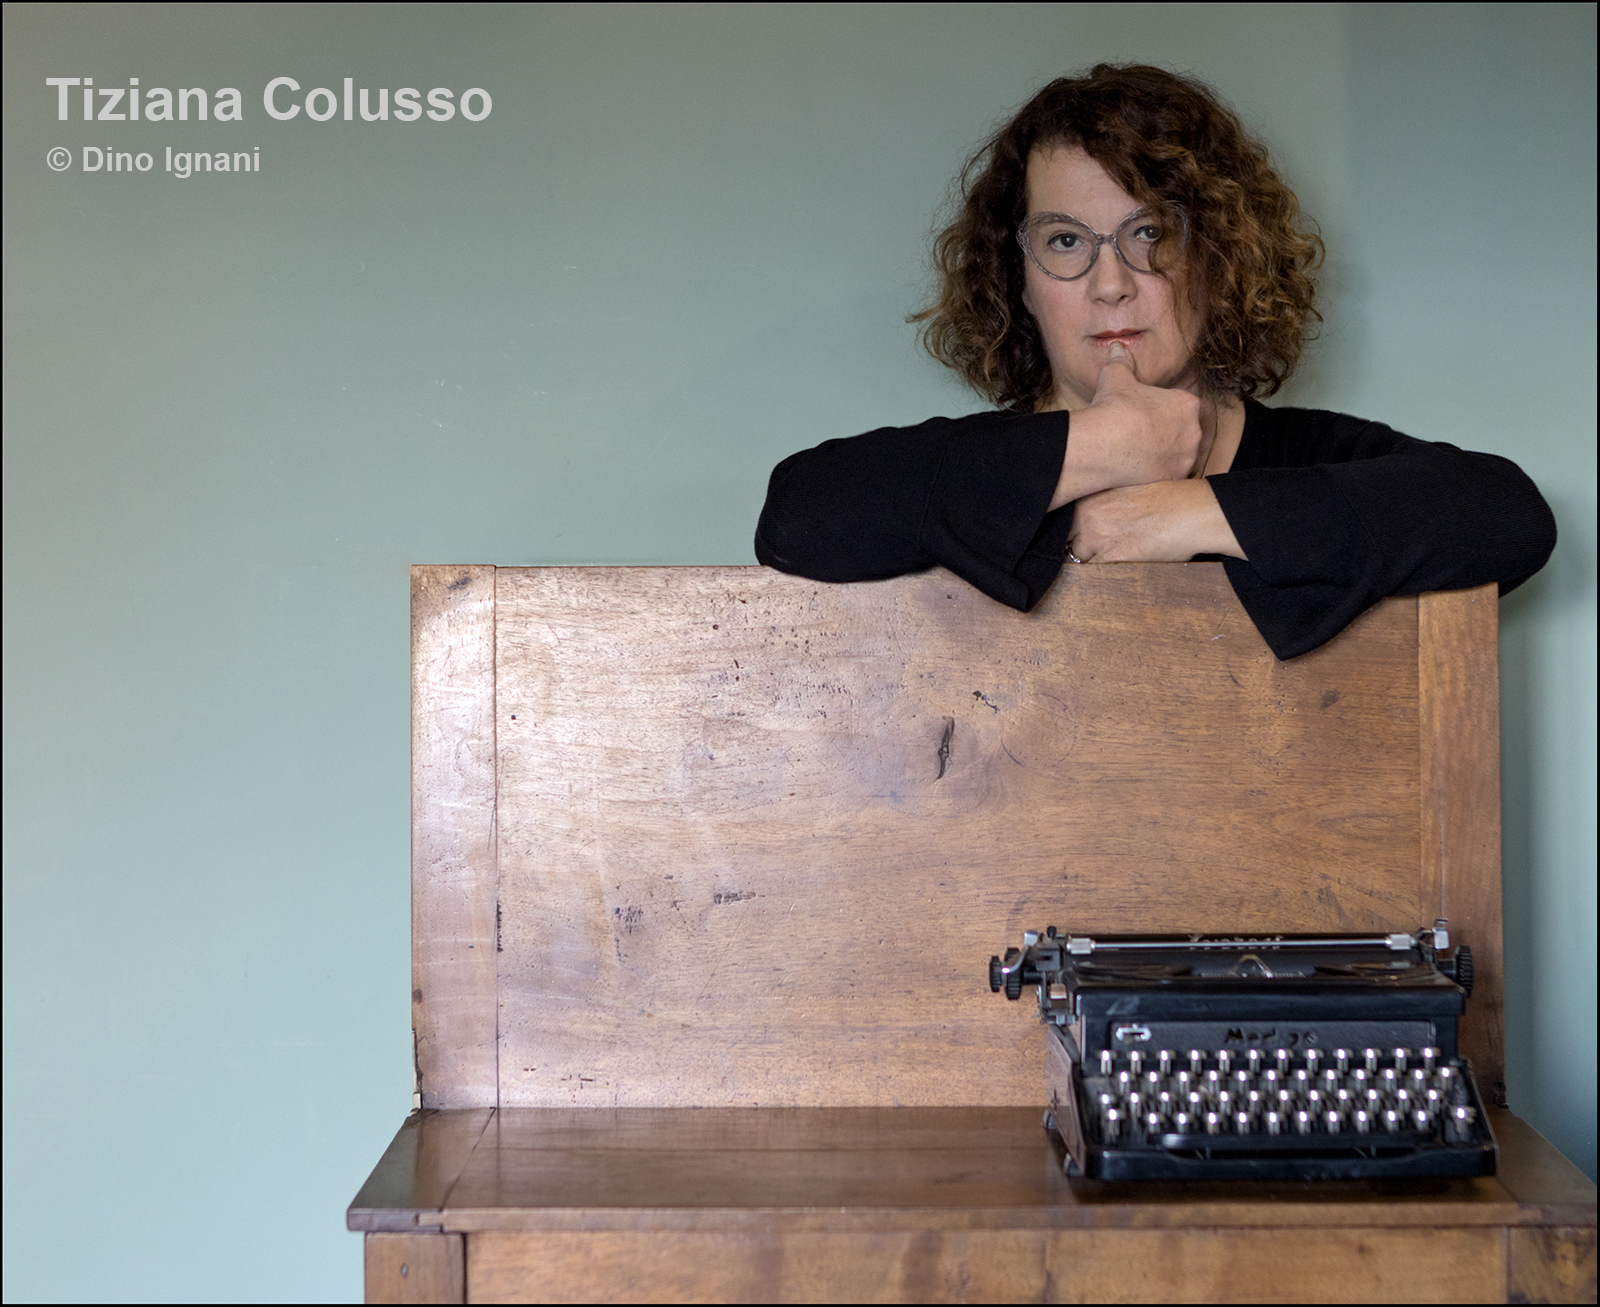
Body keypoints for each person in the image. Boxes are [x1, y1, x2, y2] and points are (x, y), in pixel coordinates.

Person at [754, 65, 1555, 659]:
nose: (1111, 283)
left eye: (1150, 235)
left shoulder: (1314, 455)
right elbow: (796, 519)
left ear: (1217, 258)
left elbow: (1507, 516)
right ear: (1018, 279)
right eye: (1065, 240)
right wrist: (1099, 448)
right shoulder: (966, 471)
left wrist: (1187, 513)